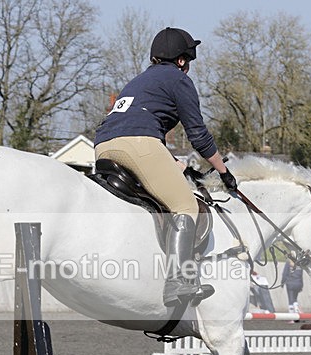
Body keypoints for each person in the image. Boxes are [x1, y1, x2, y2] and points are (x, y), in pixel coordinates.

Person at [95, 27, 234, 307]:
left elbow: (135, 123)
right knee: (185, 207)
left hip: (103, 145)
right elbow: (198, 135)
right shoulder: (177, 80)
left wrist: (171, 162)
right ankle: (178, 281)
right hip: (139, 145)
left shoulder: (139, 81)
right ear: (182, 61)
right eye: (189, 60)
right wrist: (223, 171)